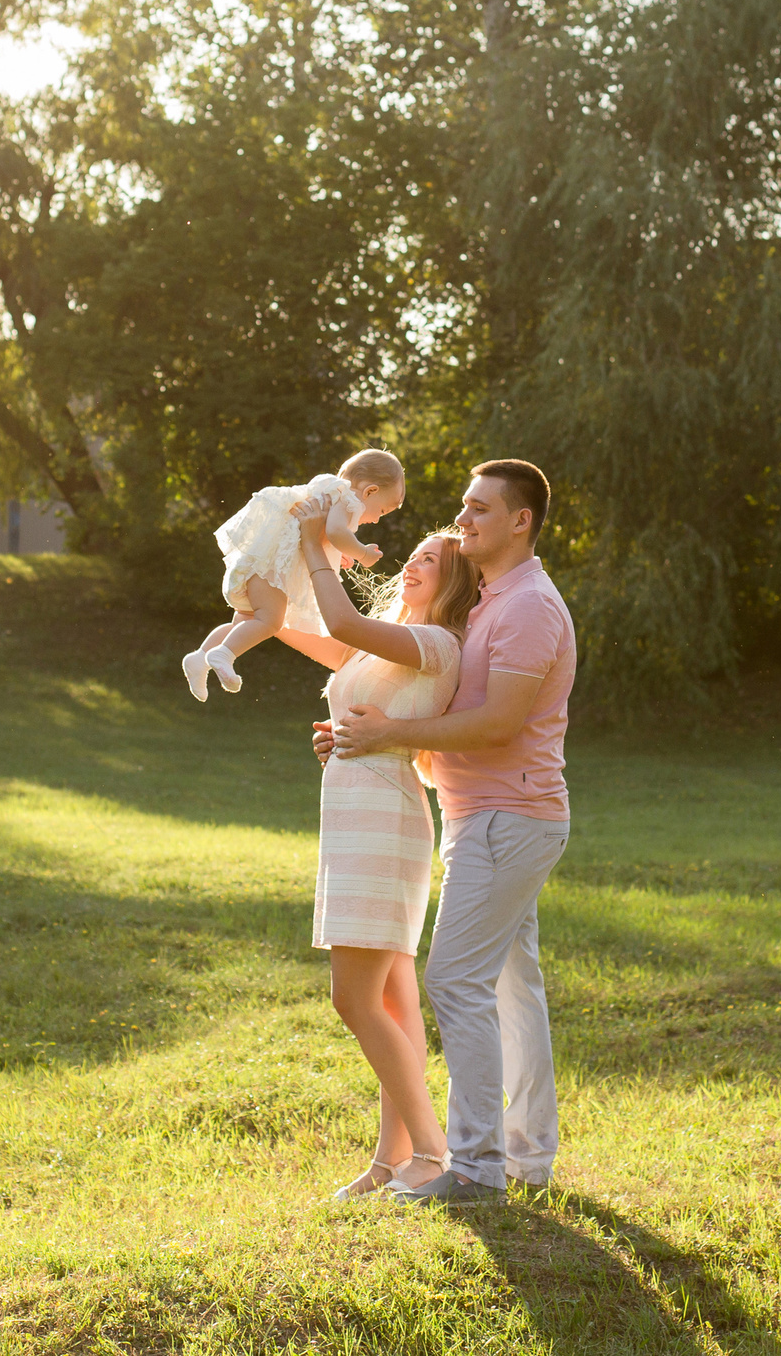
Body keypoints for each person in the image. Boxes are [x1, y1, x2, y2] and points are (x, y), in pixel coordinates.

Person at [319, 459, 575, 1204]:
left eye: (478, 509)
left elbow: (497, 724)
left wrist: (391, 731)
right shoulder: (497, 599)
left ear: (520, 520)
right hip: (487, 814)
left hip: (508, 817)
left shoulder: (529, 606)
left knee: (454, 978)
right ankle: (528, 1157)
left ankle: (473, 1167)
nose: (462, 520)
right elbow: (447, 715)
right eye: (463, 508)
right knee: (512, 987)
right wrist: (370, 736)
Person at [273, 521, 483, 1198]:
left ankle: (432, 1147)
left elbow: (336, 615)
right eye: (416, 554)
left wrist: (313, 542)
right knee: (391, 996)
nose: (417, 564)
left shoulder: (435, 642)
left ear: (455, 581)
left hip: (384, 827)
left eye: (433, 560)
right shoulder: (384, 646)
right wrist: (337, 741)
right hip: (358, 821)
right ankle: (392, 1158)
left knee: (354, 996)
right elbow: (300, 629)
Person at [182, 448, 405, 700]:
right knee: (270, 622)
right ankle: (223, 655)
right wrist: (362, 553)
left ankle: (199, 658)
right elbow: (335, 532)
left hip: (263, 562)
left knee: (245, 620)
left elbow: (316, 535)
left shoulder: (330, 491)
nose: (376, 520)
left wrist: (336, 553)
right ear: (370, 491)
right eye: (383, 511)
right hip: (273, 569)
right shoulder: (348, 499)